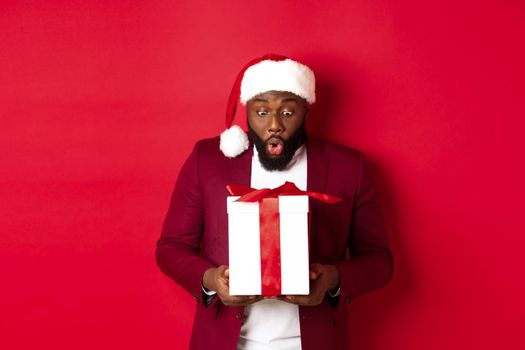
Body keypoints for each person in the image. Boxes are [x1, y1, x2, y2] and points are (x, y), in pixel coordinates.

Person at [155, 54, 393, 350]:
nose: (275, 125)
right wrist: (211, 280)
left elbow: (379, 260)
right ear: (247, 111)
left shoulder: (349, 167)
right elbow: (170, 248)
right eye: (262, 112)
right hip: (225, 341)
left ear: (305, 110)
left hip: (316, 341)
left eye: (288, 112)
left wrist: (332, 279)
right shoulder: (208, 161)